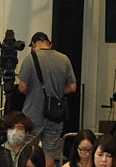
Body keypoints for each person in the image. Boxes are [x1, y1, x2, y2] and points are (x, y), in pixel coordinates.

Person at [15, 29, 75, 157]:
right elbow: (72, 87)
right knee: (50, 154)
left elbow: (22, 87)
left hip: (32, 115)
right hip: (55, 115)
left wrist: (33, 92)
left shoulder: (30, 59)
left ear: (33, 45)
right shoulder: (64, 59)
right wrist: (57, 90)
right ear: (49, 44)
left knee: (28, 152)